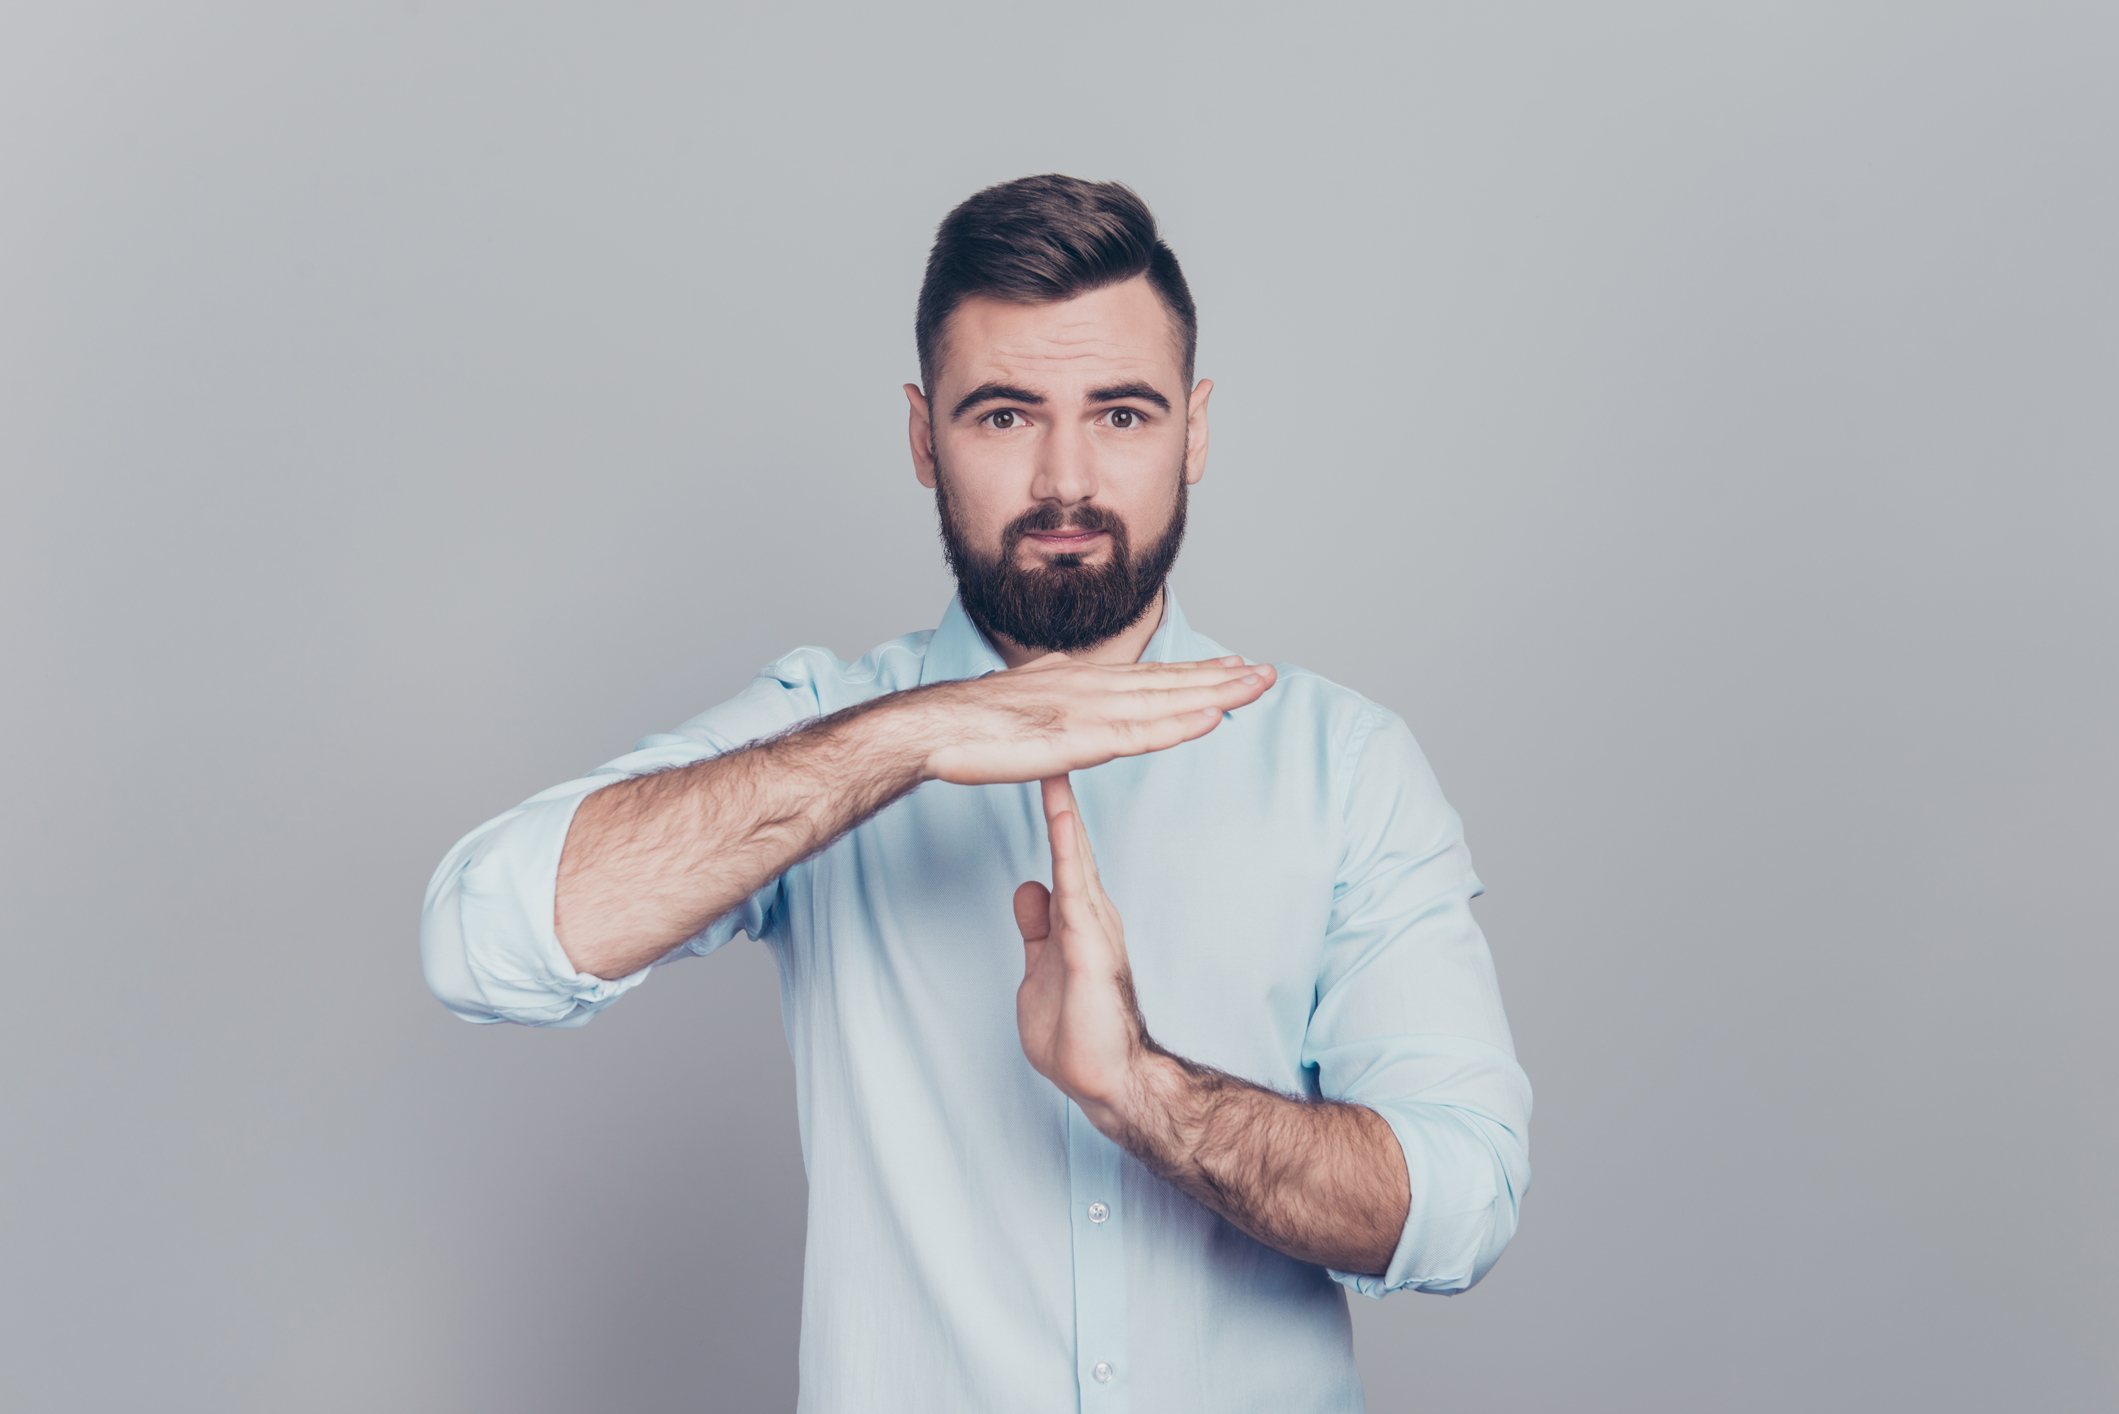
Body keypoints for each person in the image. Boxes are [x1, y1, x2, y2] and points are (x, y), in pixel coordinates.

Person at [421, 174, 1531, 1413]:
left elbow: (1460, 1200)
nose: (1066, 481)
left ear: (1195, 429)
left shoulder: (1344, 763)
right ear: (920, 434)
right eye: (1005, 417)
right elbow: (483, 939)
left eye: (1121, 414)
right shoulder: (828, 733)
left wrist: (1146, 1091)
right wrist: (916, 734)